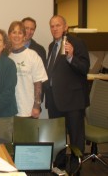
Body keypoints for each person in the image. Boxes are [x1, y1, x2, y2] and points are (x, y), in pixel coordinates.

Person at [44, 15, 90, 155]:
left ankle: (76, 169)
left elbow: (84, 68)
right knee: (58, 138)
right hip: (54, 100)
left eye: (58, 25)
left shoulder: (76, 42)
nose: (55, 28)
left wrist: (71, 57)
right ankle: (60, 166)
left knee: (76, 139)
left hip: (72, 101)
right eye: (52, 26)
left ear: (65, 27)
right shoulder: (52, 45)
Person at [8, 21, 48, 118]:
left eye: (20, 33)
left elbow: (38, 82)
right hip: (8, 109)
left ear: (24, 36)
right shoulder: (6, 56)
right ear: (9, 35)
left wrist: (37, 106)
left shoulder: (32, 55)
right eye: (14, 32)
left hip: (28, 109)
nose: (17, 35)